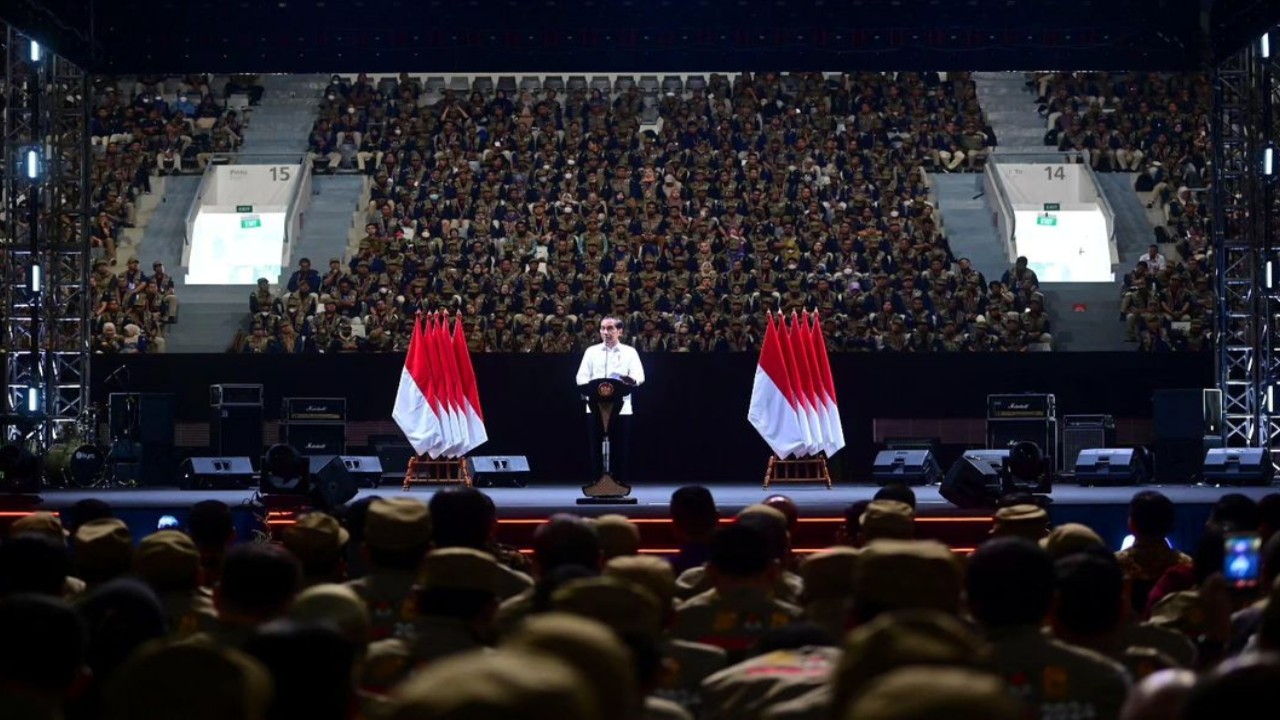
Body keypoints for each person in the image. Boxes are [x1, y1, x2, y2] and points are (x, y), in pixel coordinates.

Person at [575, 315, 645, 488]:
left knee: (619, 447)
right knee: (595, 447)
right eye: (603, 328)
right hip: (595, 406)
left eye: (610, 328)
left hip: (621, 407)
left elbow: (639, 377)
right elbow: (581, 377)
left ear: (620, 331)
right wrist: (590, 387)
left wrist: (629, 380)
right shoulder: (591, 352)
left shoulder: (630, 352)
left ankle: (619, 481)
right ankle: (596, 481)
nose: (605, 332)